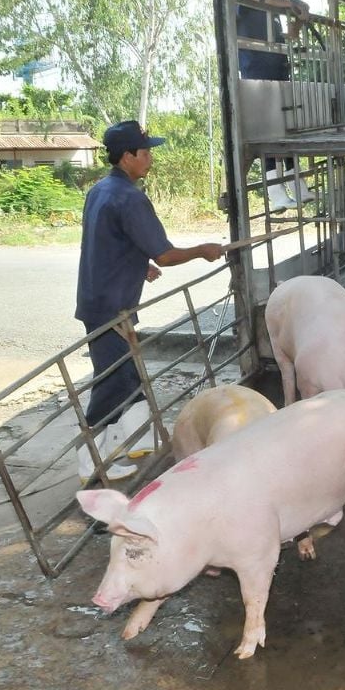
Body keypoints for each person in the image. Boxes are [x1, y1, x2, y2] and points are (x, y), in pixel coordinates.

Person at [75, 120, 225, 482]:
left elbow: (106, 240)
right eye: (145, 152)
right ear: (127, 157)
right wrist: (202, 250)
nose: (150, 159)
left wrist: (136, 263)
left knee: (125, 377)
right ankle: (88, 459)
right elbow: (166, 255)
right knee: (111, 383)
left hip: (100, 298)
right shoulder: (130, 198)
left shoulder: (101, 191)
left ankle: (117, 449)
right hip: (112, 308)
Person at [237, 0, 314, 210]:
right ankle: (275, 191)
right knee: (267, 129)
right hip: (255, 67)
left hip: (278, 65)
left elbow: (299, 6)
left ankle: (295, 182)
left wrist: (298, 19)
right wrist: (289, 6)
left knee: (283, 126)